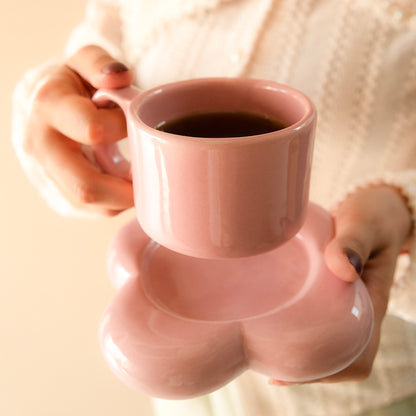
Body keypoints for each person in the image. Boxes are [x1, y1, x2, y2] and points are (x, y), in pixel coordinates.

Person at [12, 0, 416, 415]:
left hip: (367, 400)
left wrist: (405, 208)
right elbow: (94, 67)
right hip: (180, 386)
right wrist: (63, 122)